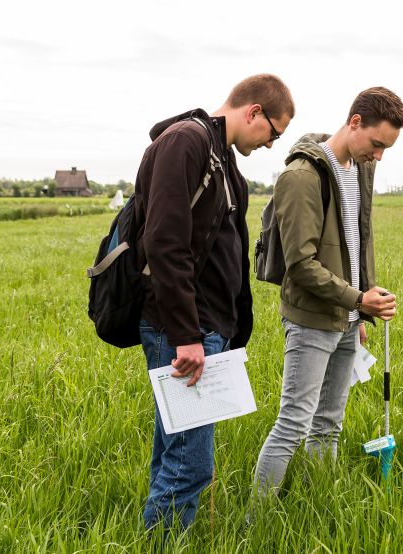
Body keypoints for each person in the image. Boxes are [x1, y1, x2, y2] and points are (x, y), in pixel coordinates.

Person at [134, 74, 295, 531]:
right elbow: (164, 242)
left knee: (174, 452)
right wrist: (186, 335)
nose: (270, 144)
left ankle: (157, 537)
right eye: (273, 133)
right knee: (190, 464)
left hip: (206, 329)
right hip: (182, 331)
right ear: (254, 112)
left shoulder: (222, 158)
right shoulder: (187, 141)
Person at [252, 86, 403, 500]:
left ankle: (318, 502)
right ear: (354, 122)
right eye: (376, 144)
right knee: (294, 424)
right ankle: (256, 521)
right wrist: (357, 300)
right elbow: (301, 266)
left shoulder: (361, 170)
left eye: (386, 149)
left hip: (347, 317)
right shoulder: (302, 177)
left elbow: (359, 242)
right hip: (311, 319)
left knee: (330, 424)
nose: (378, 156)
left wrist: (360, 311)